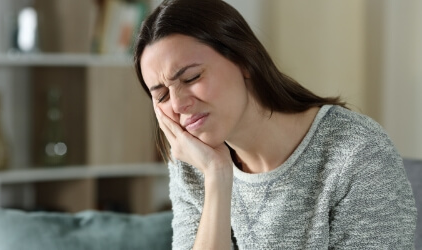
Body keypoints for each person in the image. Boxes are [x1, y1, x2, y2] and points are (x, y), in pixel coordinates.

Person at [133, 0, 417, 249]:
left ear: (243, 59)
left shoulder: (359, 153)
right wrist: (217, 175)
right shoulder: (195, 164)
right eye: (162, 95)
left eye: (191, 78)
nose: (179, 103)